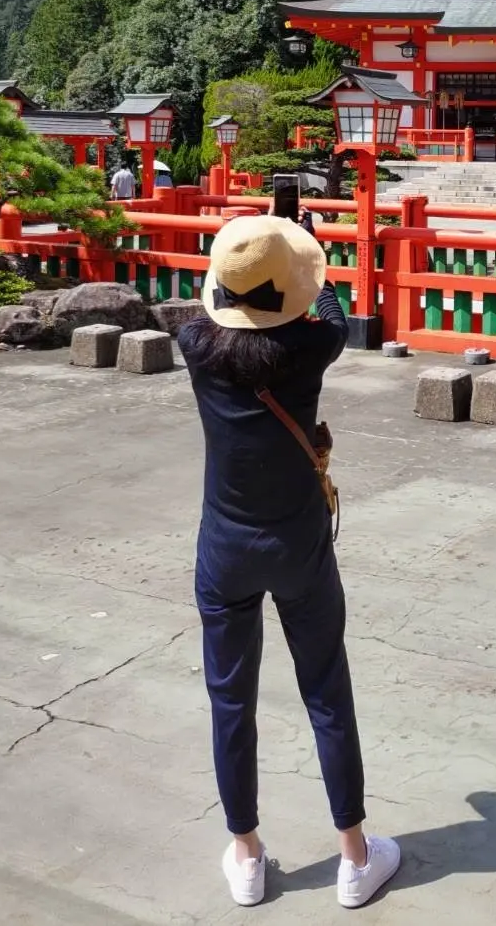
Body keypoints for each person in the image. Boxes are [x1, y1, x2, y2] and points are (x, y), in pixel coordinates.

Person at [178, 214, 399, 910]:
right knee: (326, 687)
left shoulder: (194, 343)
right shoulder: (316, 344)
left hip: (225, 549)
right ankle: (355, 857)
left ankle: (245, 854)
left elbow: (215, 294)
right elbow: (325, 296)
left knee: (230, 699)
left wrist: (254, 262)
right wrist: (300, 240)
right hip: (298, 544)